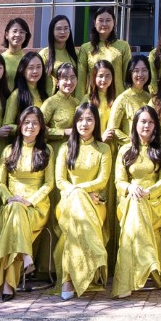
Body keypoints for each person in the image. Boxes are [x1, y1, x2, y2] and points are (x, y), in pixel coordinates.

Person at [0, 106, 53, 300]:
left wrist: (30, 201)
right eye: (27, 122)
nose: (30, 126)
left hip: (36, 207)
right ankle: (26, 256)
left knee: (17, 215)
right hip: (11, 205)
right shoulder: (9, 150)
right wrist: (9, 198)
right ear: (19, 125)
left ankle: (7, 286)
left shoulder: (46, 150)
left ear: (41, 127)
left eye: (35, 123)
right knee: (15, 211)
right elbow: (0, 182)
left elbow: (49, 183)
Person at [55, 103, 112, 300]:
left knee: (74, 226)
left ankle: (67, 280)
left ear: (96, 122)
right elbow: (60, 181)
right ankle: (96, 252)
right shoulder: (66, 148)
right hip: (68, 202)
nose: (84, 124)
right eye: (80, 119)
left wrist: (81, 190)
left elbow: (102, 180)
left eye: (89, 119)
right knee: (77, 203)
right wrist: (79, 192)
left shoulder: (103, 149)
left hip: (95, 204)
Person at [111, 106, 161, 298]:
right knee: (135, 203)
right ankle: (148, 260)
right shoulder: (125, 150)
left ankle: (129, 278)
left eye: (151, 122)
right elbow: (119, 181)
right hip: (130, 201)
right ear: (135, 124)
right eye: (143, 121)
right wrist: (131, 188)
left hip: (154, 202)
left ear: (156, 126)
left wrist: (148, 192)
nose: (146, 126)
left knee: (138, 204)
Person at [83, 6, 133, 90]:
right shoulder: (85, 48)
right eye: (101, 20)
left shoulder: (123, 46)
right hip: (93, 96)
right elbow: (81, 80)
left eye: (108, 20)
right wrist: (80, 98)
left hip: (117, 95)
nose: (104, 24)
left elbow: (127, 77)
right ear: (95, 23)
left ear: (114, 22)